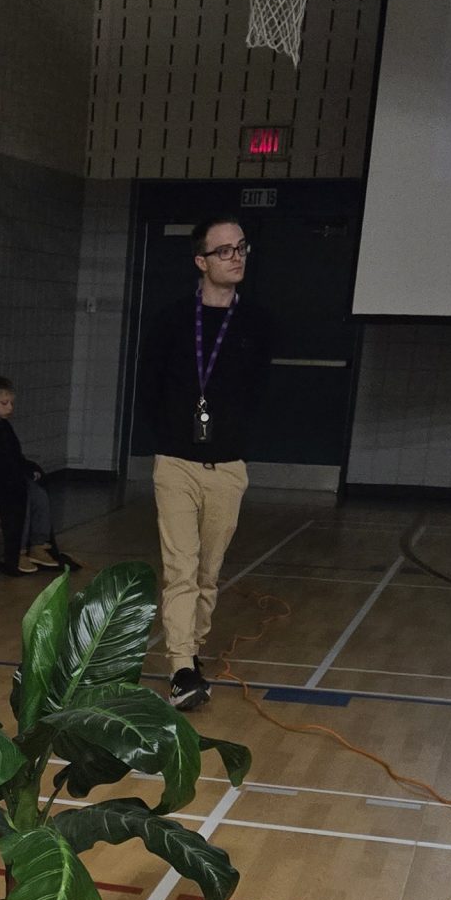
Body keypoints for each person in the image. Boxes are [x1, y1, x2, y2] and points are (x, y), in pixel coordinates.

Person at [135, 217, 273, 710]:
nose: (236, 257)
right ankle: (181, 668)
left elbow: (258, 391)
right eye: (224, 251)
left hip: (228, 467)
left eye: (241, 247)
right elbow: (148, 387)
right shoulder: (172, 319)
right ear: (201, 261)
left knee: (208, 572)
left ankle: (192, 653)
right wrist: (171, 434)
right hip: (176, 462)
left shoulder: (257, 323)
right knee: (181, 569)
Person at [0, 377, 75, 576]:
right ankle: (17, 550)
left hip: (9, 474)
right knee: (21, 494)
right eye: (4, 403)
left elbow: (14, 456)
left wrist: (28, 468)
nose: (10, 408)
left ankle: (39, 544)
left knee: (39, 493)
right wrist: (17, 470)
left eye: (12, 403)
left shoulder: (4, 425)